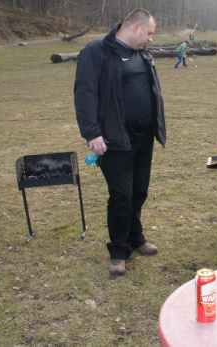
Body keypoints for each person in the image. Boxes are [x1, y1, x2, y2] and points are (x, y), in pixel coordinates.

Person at [74, 8, 166, 275]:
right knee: (121, 195)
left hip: (142, 138)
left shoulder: (141, 53)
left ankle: (135, 238)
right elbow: (85, 93)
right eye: (149, 33)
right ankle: (117, 249)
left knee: (138, 191)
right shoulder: (97, 51)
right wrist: (92, 133)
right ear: (135, 28)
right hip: (113, 140)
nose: (150, 39)